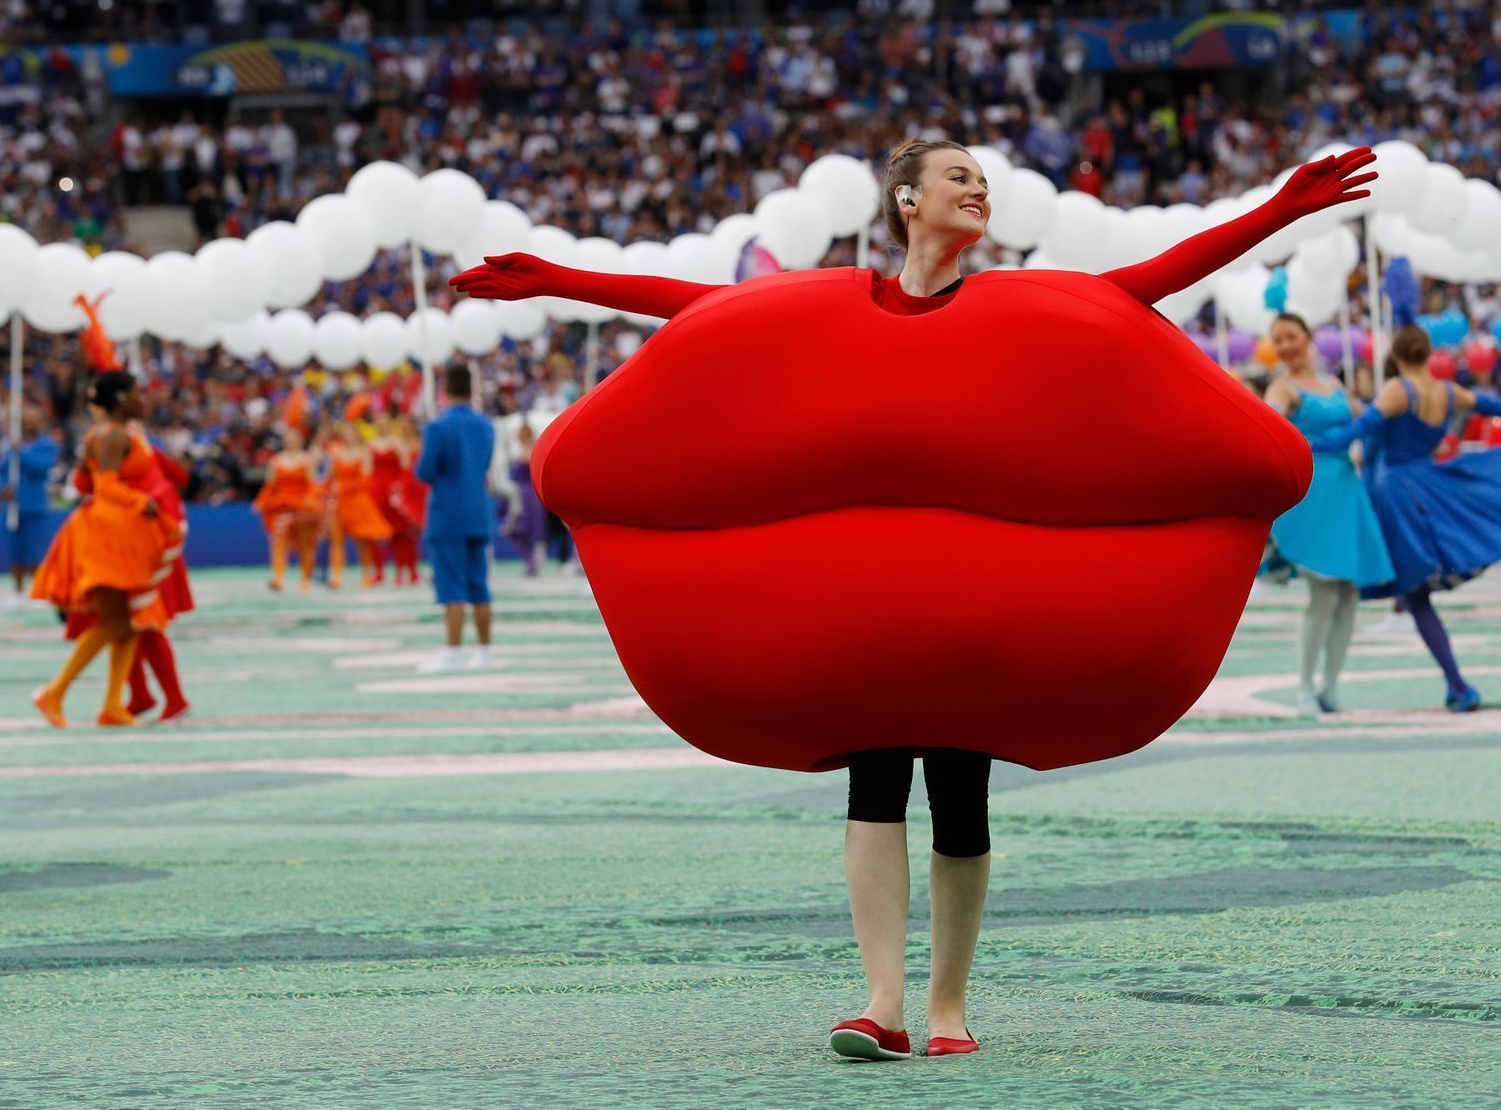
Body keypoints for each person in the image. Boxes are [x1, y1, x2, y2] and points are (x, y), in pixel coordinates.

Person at [452, 139, 1377, 1062]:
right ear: (907, 199)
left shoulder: (1019, 301)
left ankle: (948, 1007)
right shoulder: (837, 300)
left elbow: (1148, 281)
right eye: (959, 178)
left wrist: (1278, 214)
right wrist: (558, 279)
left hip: (977, 612)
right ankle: (882, 1003)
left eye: (983, 182)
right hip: (866, 617)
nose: (979, 192)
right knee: (876, 784)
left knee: (962, 798)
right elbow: (710, 312)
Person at [1309, 322, 1501, 712]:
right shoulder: (1447, 391)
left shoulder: (1399, 389)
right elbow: (1489, 405)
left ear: (1396, 358)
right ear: (1429, 354)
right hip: (1429, 488)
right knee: (1415, 597)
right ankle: (1456, 685)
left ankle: (1456, 685)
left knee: (1365, 590)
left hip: (1394, 494)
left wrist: (1311, 444)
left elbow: (1358, 430)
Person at [1262, 312, 1394, 716]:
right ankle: (1304, 686)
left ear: (1308, 337)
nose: (1284, 345)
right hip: (1314, 492)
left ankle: (1330, 685)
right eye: (1277, 339)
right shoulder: (1282, 389)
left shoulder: (1334, 384)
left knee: (1349, 594)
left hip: (1346, 491)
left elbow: (1365, 417)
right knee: (1323, 594)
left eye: (1291, 336)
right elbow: (1266, 422)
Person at [28, 372, 177, 728]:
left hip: (111, 531)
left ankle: (112, 705)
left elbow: (82, 480)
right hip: (108, 534)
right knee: (113, 622)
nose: (143, 399)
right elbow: (104, 487)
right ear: (121, 398)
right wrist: (143, 502)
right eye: (136, 393)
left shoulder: (101, 433)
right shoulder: (115, 435)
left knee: (126, 623)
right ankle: (54, 692)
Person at [416, 364, 497, 673]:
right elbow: (485, 463)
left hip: (447, 514)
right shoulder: (485, 425)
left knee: (450, 584)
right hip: (478, 510)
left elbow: (425, 471)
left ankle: (453, 652)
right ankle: (485, 651)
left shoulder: (438, 427)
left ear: (445, 388)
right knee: (479, 583)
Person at [0, 404, 60, 610]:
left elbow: (41, 467)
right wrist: (2, 488)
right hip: (13, 507)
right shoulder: (13, 446)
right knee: (15, 551)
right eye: (27, 419)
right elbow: (3, 470)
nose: (30, 423)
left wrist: (20, 453)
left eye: (34, 419)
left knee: (35, 552)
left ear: (41, 422)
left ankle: (39, 592)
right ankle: (17, 592)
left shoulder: (46, 445)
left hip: (34, 506)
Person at [256, 425, 326, 592]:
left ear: (299, 440)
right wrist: (262, 501)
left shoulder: (307, 459)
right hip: (283, 506)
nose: (290, 441)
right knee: (278, 542)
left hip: (302, 507)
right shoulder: (276, 460)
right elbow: (270, 485)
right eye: (288, 438)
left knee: (306, 544)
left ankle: (305, 581)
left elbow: (312, 484)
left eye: (294, 438)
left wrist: (311, 501)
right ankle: (278, 578)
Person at [324, 421, 394, 589]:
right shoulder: (335, 452)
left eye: (351, 433)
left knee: (363, 541)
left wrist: (343, 486)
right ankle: (336, 576)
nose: (347, 436)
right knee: (337, 540)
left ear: (356, 435)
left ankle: (366, 576)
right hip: (339, 502)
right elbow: (329, 476)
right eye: (345, 433)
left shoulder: (364, 452)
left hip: (357, 501)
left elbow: (365, 479)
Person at [370, 416, 425, 585]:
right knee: (380, 533)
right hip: (379, 492)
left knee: (404, 533)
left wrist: (401, 489)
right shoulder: (372, 445)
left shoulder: (398, 444)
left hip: (396, 491)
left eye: (384, 423)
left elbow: (405, 467)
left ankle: (409, 571)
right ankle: (381, 571)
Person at [504, 421, 549, 577]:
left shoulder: (532, 449)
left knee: (528, 529)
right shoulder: (522, 449)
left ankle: (533, 561)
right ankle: (531, 560)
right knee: (513, 531)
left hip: (528, 496)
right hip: (519, 494)